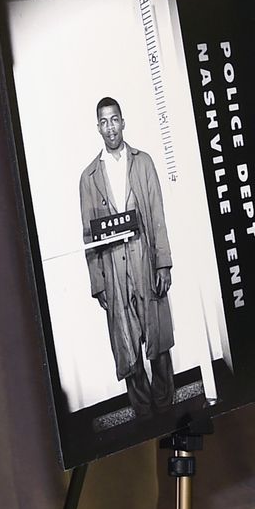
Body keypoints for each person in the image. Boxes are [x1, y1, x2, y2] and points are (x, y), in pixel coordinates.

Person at [79, 97, 175, 417]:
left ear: (123, 121)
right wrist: (99, 283)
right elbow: (89, 235)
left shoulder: (143, 162)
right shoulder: (89, 177)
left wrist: (162, 262)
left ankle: (165, 404)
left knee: (156, 334)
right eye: (104, 122)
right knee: (126, 339)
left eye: (115, 120)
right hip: (113, 265)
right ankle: (144, 413)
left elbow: (159, 215)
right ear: (98, 128)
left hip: (144, 257)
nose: (110, 127)